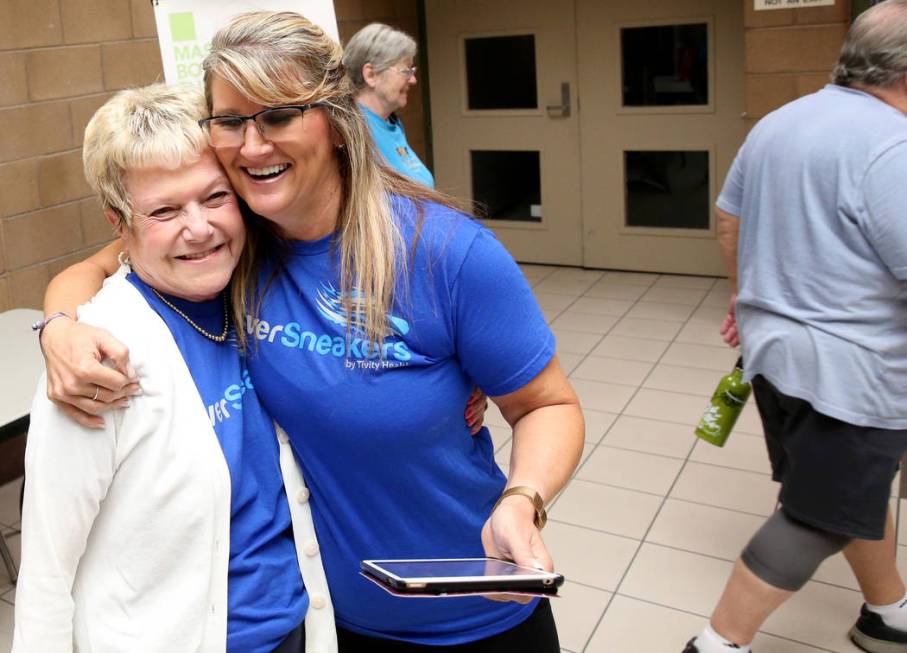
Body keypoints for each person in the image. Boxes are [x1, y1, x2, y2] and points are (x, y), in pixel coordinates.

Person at [38, 10, 584, 652]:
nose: (252, 145)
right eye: (231, 121)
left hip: (474, 609)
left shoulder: (443, 252)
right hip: (334, 620)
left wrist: (523, 498)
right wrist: (60, 324)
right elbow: (116, 256)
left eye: (277, 116)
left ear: (334, 120)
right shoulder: (239, 239)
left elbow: (549, 403)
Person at [13, 84, 335, 653]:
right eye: (164, 210)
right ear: (120, 223)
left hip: (299, 624)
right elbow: (47, 573)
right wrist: (59, 322)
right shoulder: (99, 357)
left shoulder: (260, 293)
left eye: (214, 197)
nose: (199, 228)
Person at [685, 2, 907, 652]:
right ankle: (716, 643)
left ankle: (887, 611)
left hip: (773, 361)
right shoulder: (890, 146)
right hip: (851, 374)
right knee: (815, 516)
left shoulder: (779, 123)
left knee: (848, 494)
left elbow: (728, 218)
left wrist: (743, 296)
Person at [341, 23, 435, 187]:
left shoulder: (391, 123)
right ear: (371, 75)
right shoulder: (354, 132)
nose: (413, 80)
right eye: (406, 71)